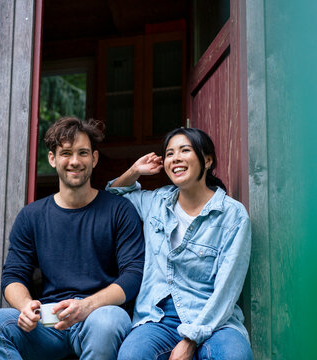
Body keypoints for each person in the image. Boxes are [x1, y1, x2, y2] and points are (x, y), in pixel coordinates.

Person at [0, 117, 145, 360]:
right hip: (48, 321)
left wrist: (87, 306)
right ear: (53, 159)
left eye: (83, 153)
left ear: (94, 159)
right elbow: (13, 275)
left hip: (99, 314)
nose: (75, 161)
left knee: (108, 322)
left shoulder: (119, 210)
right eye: (66, 153)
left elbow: (134, 274)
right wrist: (26, 306)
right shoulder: (31, 216)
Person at [107, 127, 253, 360]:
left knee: (235, 355)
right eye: (170, 153)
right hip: (158, 317)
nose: (175, 158)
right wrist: (135, 170)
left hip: (215, 319)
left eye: (184, 150)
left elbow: (227, 289)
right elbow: (112, 201)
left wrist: (191, 338)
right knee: (131, 355)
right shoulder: (156, 201)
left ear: (206, 160)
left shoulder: (232, 215)